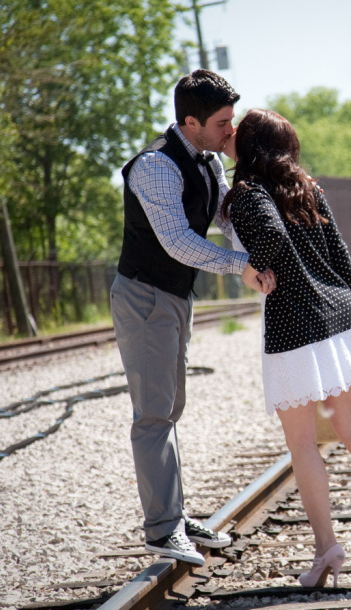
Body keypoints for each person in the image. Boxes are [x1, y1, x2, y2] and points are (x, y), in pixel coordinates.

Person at [222, 109, 351, 587]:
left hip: (295, 326)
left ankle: (327, 548)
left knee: (303, 444)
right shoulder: (307, 188)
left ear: (251, 146)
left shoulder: (248, 192)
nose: (230, 134)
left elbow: (270, 234)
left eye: (238, 130)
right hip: (342, 317)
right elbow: (343, 259)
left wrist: (253, 270)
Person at [110, 70, 275, 566]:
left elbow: (224, 217)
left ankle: (175, 517)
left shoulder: (209, 160)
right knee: (154, 415)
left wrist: (267, 242)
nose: (231, 131)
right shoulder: (156, 166)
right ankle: (163, 530)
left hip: (175, 297)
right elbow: (178, 241)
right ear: (190, 122)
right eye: (223, 123)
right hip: (145, 297)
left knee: (170, 407)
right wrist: (240, 267)